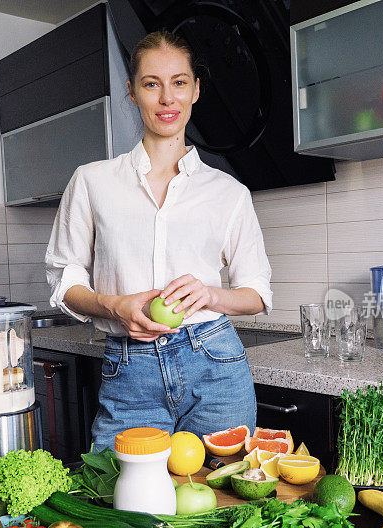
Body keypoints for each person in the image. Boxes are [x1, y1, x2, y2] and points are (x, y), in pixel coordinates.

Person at [45, 30, 272, 449]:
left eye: (179, 82)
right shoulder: (93, 181)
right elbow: (64, 279)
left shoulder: (229, 193)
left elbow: (257, 294)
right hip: (130, 368)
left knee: (223, 502)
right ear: (132, 92)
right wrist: (114, 305)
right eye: (152, 84)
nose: (168, 98)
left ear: (196, 90)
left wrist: (208, 295)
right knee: (117, 498)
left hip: (215, 364)